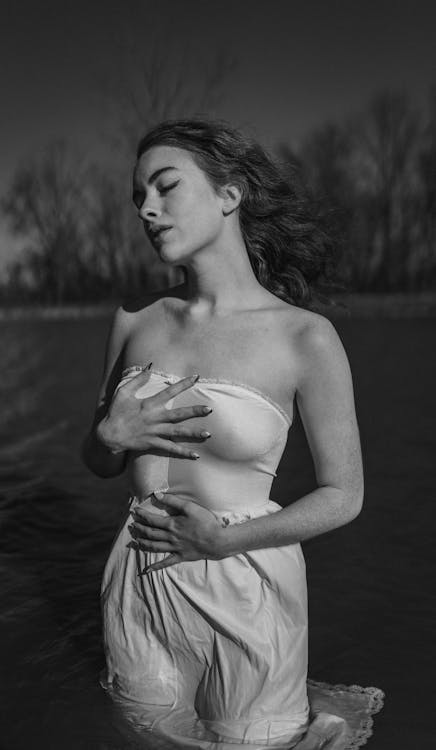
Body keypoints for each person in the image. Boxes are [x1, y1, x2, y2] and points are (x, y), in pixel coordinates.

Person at [82, 119, 384, 749]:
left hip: (241, 578)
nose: (148, 209)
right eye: (139, 197)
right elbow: (101, 459)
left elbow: (343, 496)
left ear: (229, 194)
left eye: (166, 187)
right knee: (143, 735)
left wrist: (224, 540)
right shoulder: (136, 317)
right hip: (138, 576)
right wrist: (111, 435)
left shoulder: (305, 337)